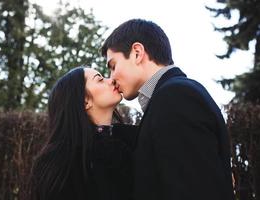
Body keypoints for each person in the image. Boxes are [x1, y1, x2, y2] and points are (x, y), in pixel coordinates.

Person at [101, 19, 235, 200]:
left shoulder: (176, 96)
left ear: (137, 53)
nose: (112, 77)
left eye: (113, 66)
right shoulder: (169, 97)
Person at [29, 67, 137, 200]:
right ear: (85, 101)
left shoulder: (133, 139)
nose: (112, 80)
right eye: (100, 79)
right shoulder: (62, 166)